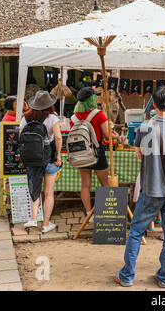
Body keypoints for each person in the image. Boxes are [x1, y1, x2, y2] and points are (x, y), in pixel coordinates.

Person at [115, 85, 165, 289]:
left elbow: (139, 155)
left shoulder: (144, 128)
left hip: (150, 190)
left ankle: (127, 275)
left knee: (136, 232)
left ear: (154, 104)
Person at [70, 87, 118, 221]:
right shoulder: (99, 114)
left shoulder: (74, 117)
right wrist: (116, 135)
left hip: (81, 153)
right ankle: (106, 213)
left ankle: (88, 214)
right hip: (97, 153)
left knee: (85, 184)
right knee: (105, 184)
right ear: (91, 99)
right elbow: (108, 136)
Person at [20, 91, 62, 233]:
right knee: (49, 193)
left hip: (32, 159)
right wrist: (58, 157)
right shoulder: (52, 118)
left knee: (34, 189)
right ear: (49, 105)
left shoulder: (25, 118)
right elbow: (58, 138)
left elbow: (20, 137)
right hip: (49, 159)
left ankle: (33, 218)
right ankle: (45, 224)